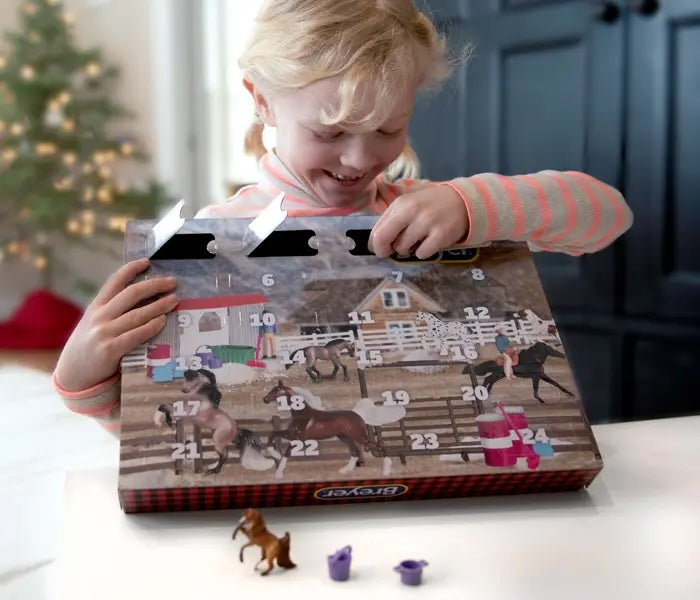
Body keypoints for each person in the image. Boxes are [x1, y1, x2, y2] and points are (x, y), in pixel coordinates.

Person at [52, 0, 633, 435]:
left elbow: (608, 216)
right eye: (328, 133)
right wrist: (86, 380)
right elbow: (160, 430)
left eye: (387, 129)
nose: (359, 159)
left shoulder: (429, 210)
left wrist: (472, 205)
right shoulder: (209, 241)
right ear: (262, 100)